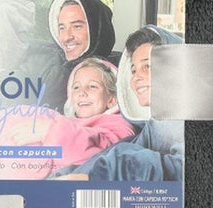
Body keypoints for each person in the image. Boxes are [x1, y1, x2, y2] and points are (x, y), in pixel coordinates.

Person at [53, 25, 185, 182]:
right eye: (134, 70)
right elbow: (114, 152)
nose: (136, 77)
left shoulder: (185, 117)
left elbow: (182, 170)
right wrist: (68, 173)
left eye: (147, 66)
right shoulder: (155, 125)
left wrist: (107, 171)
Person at [0, 57, 135, 179]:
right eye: (76, 87)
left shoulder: (117, 124)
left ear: (112, 99)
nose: (82, 92)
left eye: (92, 86)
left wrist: (50, 130)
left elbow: (98, 157)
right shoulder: (66, 120)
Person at [38, 0, 122, 109]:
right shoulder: (51, 68)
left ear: (97, 29)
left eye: (77, 26)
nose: (66, 37)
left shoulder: (123, 71)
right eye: (62, 28)